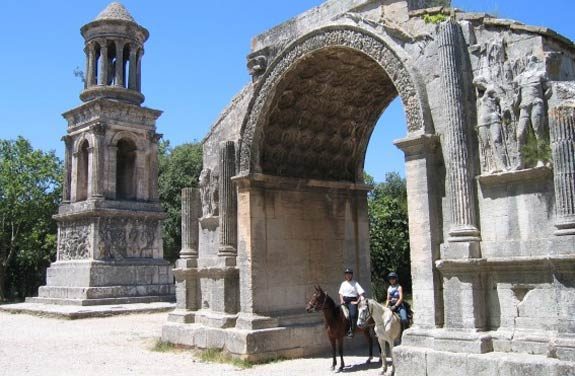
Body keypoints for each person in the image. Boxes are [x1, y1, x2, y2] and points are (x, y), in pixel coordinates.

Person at [338, 268, 365, 337]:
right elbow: (341, 294)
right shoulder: (343, 284)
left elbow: (361, 293)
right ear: (345, 275)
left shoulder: (355, 283)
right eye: (347, 274)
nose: (348, 275)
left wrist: (357, 302)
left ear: (351, 275)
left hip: (352, 301)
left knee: (352, 315)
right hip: (344, 301)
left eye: (349, 274)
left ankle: (352, 330)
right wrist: (341, 300)